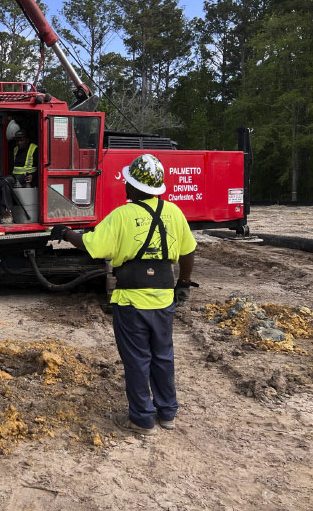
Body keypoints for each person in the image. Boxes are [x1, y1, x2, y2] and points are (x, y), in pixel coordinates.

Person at [51, 154, 196, 435]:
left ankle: (142, 419)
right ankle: (167, 414)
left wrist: (66, 233)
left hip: (131, 300)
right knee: (163, 355)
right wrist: (185, 284)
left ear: (136, 187)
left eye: (128, 182)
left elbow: (92, 245)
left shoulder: (122, 215)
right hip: (164, 297)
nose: (125, 186)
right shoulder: (174, 213)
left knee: (137, 359)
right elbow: (189, 251)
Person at [0, 128, 38, 224]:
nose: (19, 143)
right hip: (14, 177)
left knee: (7, 182)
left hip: (26, 179)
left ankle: (7, 213)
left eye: (21, 140)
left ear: (27, 140)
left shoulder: (34, 149)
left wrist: (33, 176)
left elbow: (42, 168)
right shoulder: (15, 149)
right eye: (17, 140)